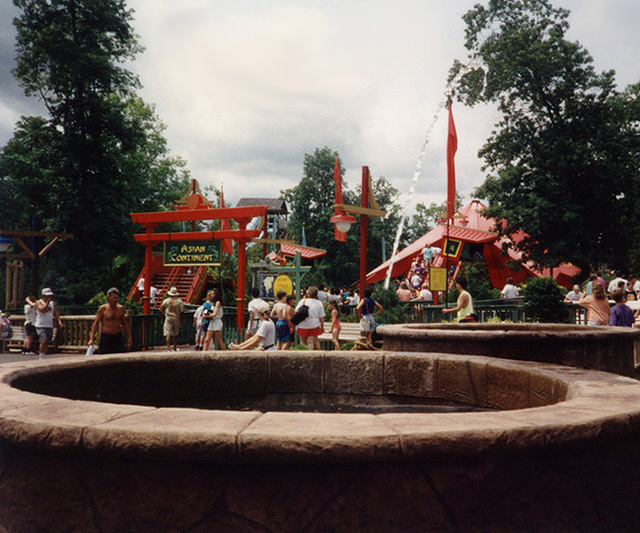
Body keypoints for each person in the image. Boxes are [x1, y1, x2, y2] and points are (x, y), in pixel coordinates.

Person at [88, 287, 132, 354]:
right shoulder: (103, 308)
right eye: (113, 298)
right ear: (108, 298)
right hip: (106, 337)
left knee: (119, 358)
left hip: (117, 336)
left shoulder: (120, 308)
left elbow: (125, 323)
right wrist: (91, 339)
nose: (115, 300)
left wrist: (129, 338)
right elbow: (96, 323)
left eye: (117, 298)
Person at [35, 288, 63, 359]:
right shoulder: (38, 302)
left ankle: (44, 355)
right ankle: (41, 357)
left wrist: (59, 321)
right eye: (47, 296)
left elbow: (55, 313)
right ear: (43, 295)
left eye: (50, 295)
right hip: (40, 325)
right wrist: (46, 303)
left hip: (49, 325)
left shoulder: (52, 303)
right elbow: (41, 309)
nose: (49, 297)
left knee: (47, 342)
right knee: (43, 341)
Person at [295, 285, 325, 350]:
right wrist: (322, 327)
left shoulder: (303, 301)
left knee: (302, 341)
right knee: (311, 341)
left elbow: (296, 311)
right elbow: (322, 317)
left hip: (303, 324)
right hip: (314, 324)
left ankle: (303, 356)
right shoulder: (319, 303)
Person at [160, 287, 185, 351]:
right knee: (176, 333)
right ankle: (174, 347)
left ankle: (168, 348)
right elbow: (182, 311)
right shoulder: (179, 301)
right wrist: (183, 319)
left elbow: (161, 308)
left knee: (168, 333)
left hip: (168, 317)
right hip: (176, 317)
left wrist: (160, 315)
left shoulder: (166, 301)